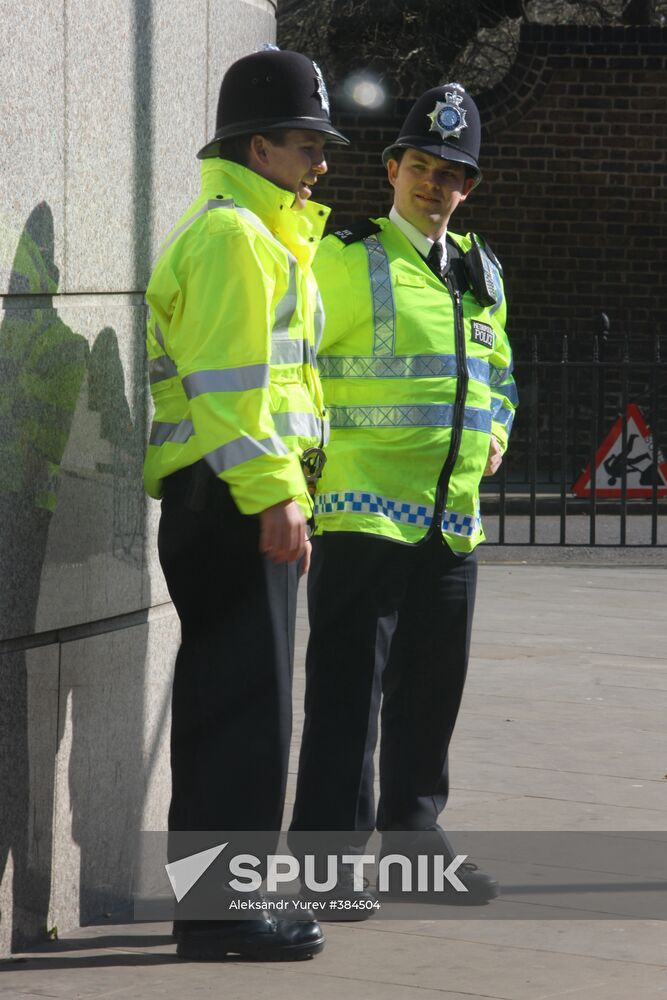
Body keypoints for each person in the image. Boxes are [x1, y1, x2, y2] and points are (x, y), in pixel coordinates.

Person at [290, 83, 517, 905]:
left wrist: (500, 425)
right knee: (347, 697)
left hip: (452, 525)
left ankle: (414, 845)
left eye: (449, 172)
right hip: (362, 514)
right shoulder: (347, 257)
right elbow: (293, 355)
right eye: (418, 165)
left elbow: (498, 369)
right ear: (390, 170)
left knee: (430, 692)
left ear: (468, 187)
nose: (432, 183)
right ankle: (326, 861)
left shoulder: (482, 269)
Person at [143, 47, 348, 959]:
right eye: (308, 144)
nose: (320, 164)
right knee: (244, 718)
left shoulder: (254, 235)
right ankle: (225, 913)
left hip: (222, 500)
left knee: (230, 712)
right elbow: (231, 389)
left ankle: (212, 911)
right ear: (259, 146)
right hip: (231, 501)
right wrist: (275, 495)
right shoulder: (235, 238)